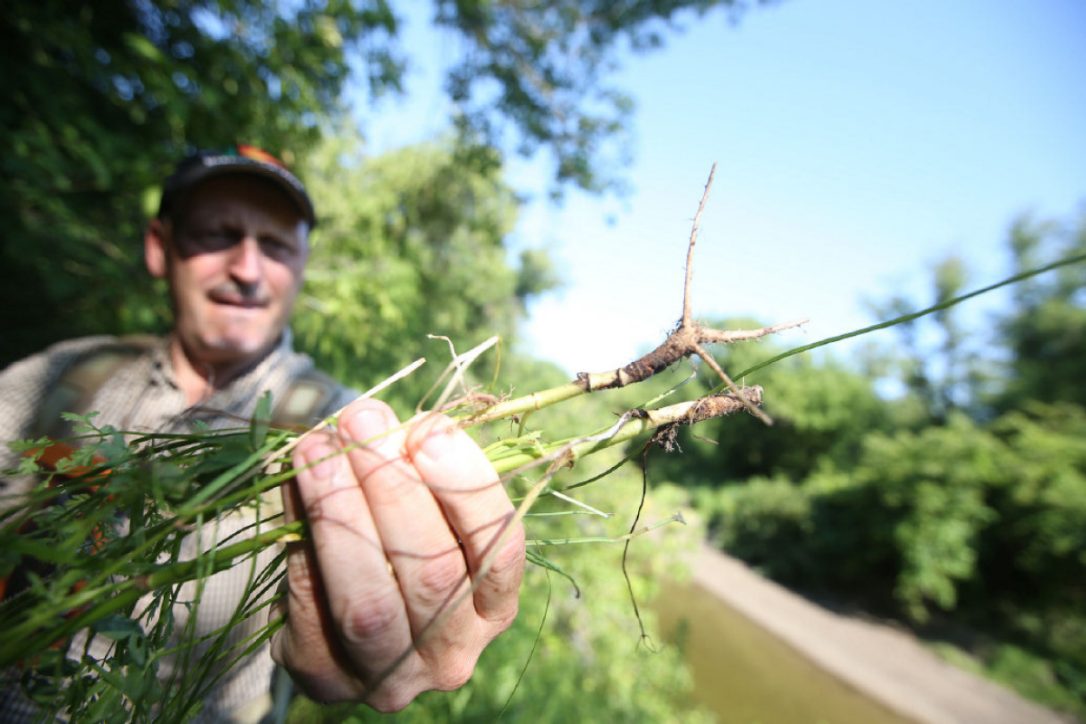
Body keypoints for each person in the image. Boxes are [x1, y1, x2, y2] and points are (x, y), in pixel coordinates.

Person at [0, 146, 526, 721]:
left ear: (300, 264)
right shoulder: (66, 377)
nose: (247, 269)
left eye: (275, 246)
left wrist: (415, 616)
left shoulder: (338, 428)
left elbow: (389, 599)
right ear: (160, 247)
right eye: (218, 235)